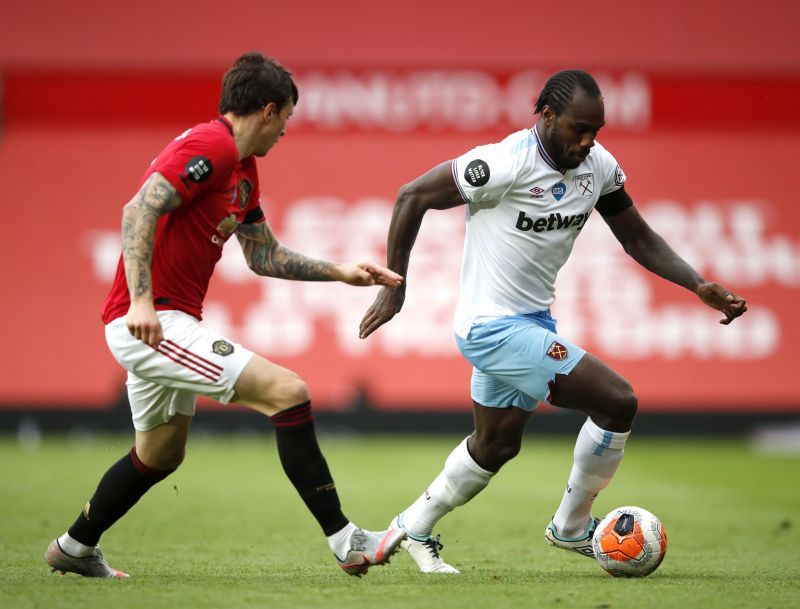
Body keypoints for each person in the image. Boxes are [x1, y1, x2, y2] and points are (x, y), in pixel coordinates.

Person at [360, 69, 747, 573]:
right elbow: (412, 195)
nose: (587, 142)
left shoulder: (598, 167)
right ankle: (570, 528)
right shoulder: (503, 163)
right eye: (578, 129)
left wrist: (698, 284)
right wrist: (397, 287)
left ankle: (409, 529)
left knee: (495, 445)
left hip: (533, 323)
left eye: (596, 131)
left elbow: (639, 238)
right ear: (546, 116)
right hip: (491, 328)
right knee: (617, 401)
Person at [45, 52, 405, 579]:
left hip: (166, 322)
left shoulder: (243, 170)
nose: (284, 131)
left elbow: (264, 256)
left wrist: (342, 272)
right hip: (149, 321)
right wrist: (142, 301)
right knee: (289, 391)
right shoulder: (211, 146)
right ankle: (346, 539)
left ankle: (74, 547)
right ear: (266, 109)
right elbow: (139, 209)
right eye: (285, 118)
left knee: (161, 454)